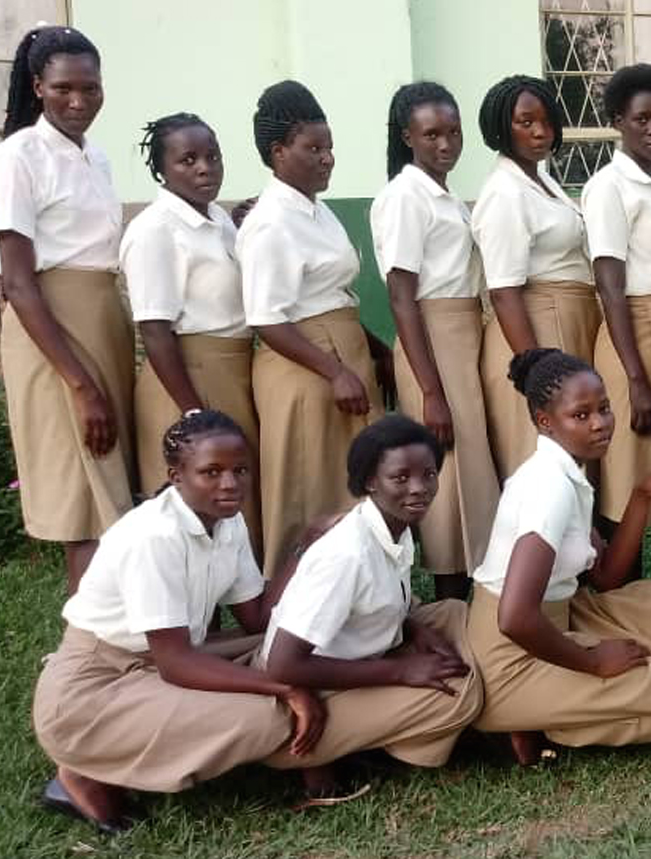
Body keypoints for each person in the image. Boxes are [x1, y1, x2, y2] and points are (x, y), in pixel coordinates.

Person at [32, 411, 320, 833]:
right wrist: (286, 687)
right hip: (97, 684)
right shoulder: (155, 537)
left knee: (284, 646)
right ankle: (80, 772)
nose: (230, 484)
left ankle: (121, 751)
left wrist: (302, 551)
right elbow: (175, 663)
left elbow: (257, 617)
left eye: (240, 470)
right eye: (212, 472)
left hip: (168, 658)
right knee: (266, 716)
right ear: (176, 475)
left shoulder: (227, 519)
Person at [467, 349, 651, 765]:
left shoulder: (569, 472)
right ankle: (530, 721)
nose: (600, 423)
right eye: (580, 415)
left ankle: (550, 712)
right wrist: (593, 662)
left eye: (603, 408)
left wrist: (642, 496)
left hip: (559, 621)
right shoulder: (548, 486)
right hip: (512, 658)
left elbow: (605, 579)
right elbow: (513, 617)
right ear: (545, 422)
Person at [0, 26, 134, 593]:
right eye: (64, 88)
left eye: (91, 88)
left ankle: (125, 639)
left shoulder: (97, 157)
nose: (79, 101)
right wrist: (80, 384)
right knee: (83, 501)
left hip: (101, 321)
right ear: (38, 86)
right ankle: (87, 653)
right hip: (52, 333)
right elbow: (17, 284)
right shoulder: (16, 159)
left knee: (113, 485)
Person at [260, 415, 483, 800]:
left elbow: (377, 598)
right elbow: (283, 664)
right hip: (311, 682)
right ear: (369, 482)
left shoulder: (392, 525)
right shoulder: (347, 554)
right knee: (457, 698)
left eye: (428, 474)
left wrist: (415, 629)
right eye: (401, 478)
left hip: (360, 653)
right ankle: (317, 752)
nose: (419, 489)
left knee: (450, 614)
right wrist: (401, 670)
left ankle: (367, 733)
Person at [239, 80, 385, 572]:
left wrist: (375, 351)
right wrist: (335, 372)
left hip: (342, 355)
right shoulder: (271, 222)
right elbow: (266, 318)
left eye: (330, 148)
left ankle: (362, 598)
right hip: (306, 369)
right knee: (311, 491)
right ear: (278, 152)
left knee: (352, 491)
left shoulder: (319, 213)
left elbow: (335, 295)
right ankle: (297, 608)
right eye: (313, 149)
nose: (326, 159)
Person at [372, 81, 499, 601]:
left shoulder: (440, 194)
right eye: (431, 134)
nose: (445, 144)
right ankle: (449, 595)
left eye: (453, 132)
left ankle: (472, 593)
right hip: (435, 338)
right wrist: (430, 391)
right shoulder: (404, 197)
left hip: (464, 331)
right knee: (446, 473)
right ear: (408, 137)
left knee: (472, 469)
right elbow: (401, 297)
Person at [123, 113, 263, 556]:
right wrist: (192, 414)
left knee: (234, 508)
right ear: (162, 169)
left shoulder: (219, 219)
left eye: (212, 156)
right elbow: (154, 329)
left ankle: (238, 611)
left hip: (233, 368)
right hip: (185, 376)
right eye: (188, 160)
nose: (205, 168)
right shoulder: (155, 230)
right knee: (191, 511)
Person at [582, 64, 651, 542]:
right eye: (641, 119)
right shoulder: (609, 187)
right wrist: (635, 379)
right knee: (627, 471)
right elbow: (609, 283)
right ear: (616, 121)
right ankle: (615, 597)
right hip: (638, 332)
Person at [473, 75, 598, 480]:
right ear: (500, 127)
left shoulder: (539, 180)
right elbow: (505, 292)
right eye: (525, 122)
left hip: (567, 323)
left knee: (575, 464)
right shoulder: (504, 193)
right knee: (546, 467)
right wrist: (536, 373)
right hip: (536, 332)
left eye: (546, 120)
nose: (540, 131)